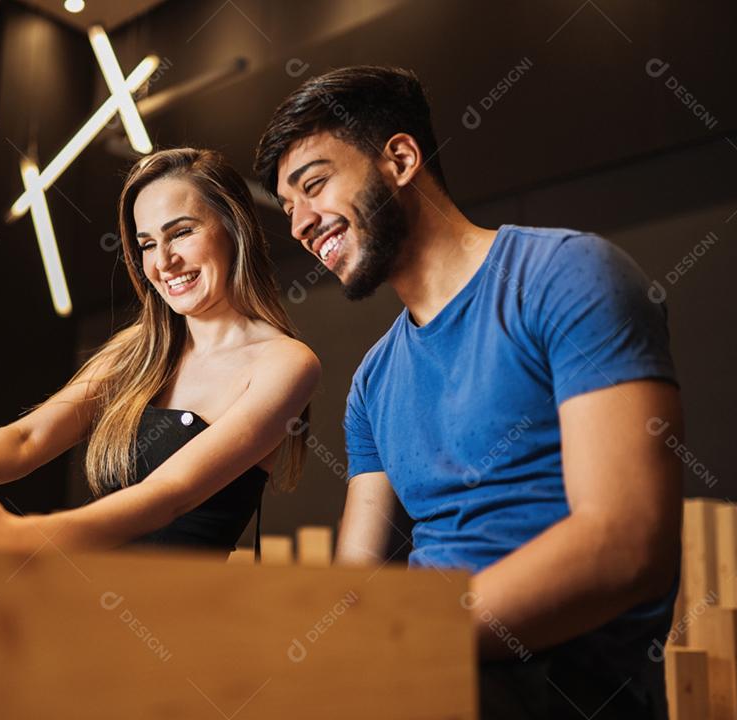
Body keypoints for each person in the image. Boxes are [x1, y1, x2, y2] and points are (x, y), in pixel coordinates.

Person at [255, 66, 683, 719]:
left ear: (399, 158)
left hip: (564, 681)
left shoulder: (566, 275)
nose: (301, 225)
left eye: (314, 186)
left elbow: (626, 545)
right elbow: (355, 586)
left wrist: (401, 641)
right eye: (288, 209)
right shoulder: (373, 381)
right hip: (421, 672)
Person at [0, 148, 320, 559]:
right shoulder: (134, 353)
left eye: (181, 232)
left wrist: (15, 536)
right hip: (81, 593)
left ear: (233, 229)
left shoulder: (285, 363)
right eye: (146, 244)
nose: (163, 262)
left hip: (174, 619)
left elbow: (168, 495)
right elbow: (27, 439)